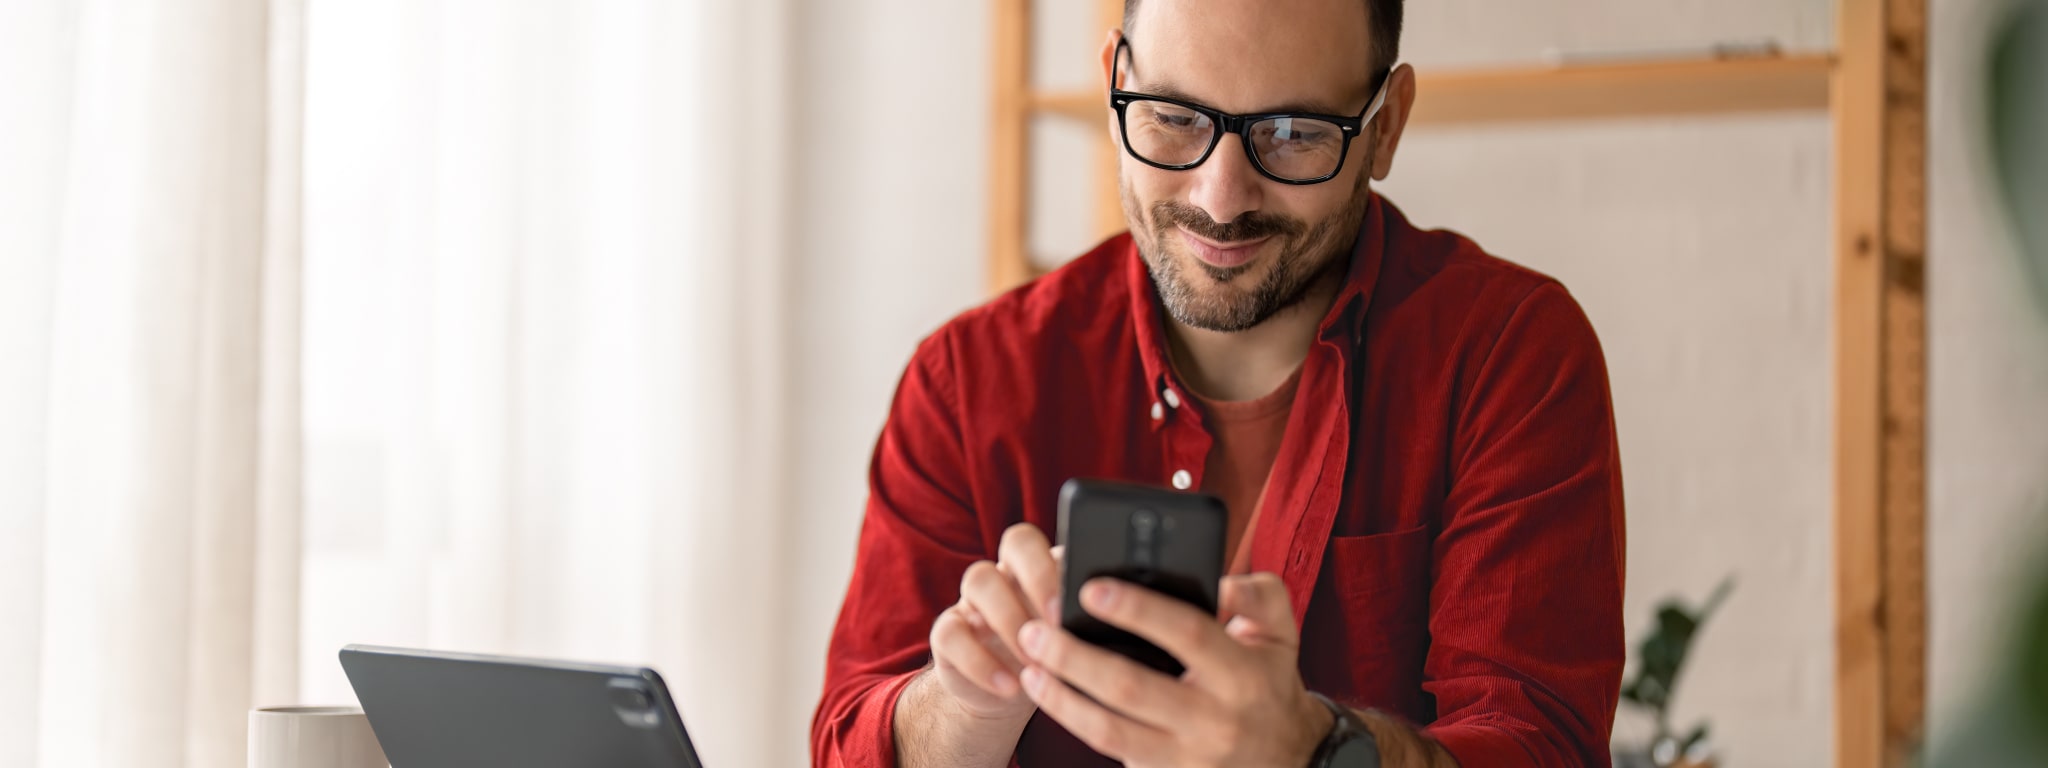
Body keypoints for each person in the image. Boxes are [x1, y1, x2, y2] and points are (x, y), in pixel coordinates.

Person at [811, 0, 1626, 764]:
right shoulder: (968, 382)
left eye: (1294, 133)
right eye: (1172, 118)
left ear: (1387, 126)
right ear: (1114, 84)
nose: (1221, 199)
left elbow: (1537, 746)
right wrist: (962, 709)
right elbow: (846, 739)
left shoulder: (1510, 355)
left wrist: (1320, 750)